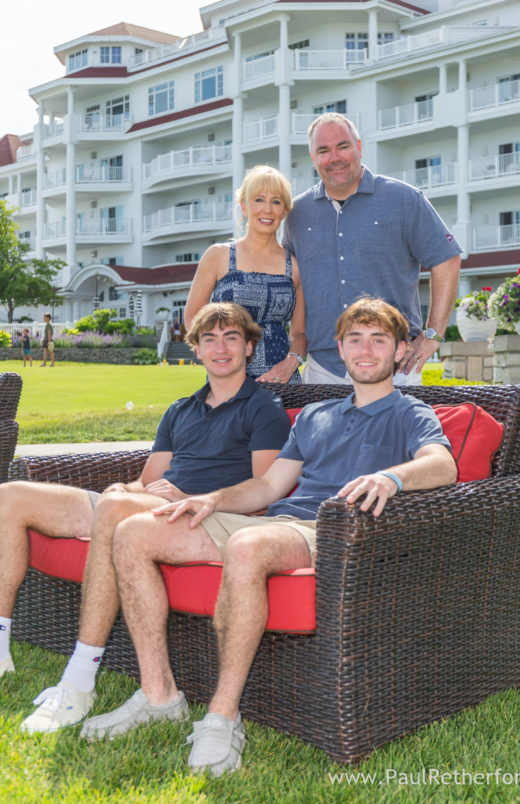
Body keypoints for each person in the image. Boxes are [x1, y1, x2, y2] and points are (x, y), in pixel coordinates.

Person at [79, 297, 457, 777]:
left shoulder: (410, 413)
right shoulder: (317, 415)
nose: (366, 350)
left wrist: (392, 478)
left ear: (400, 350)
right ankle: (160, 695)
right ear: (340, 349)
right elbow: (268, 486)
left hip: (332, 532)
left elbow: (443, 465)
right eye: (355, 339)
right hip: (272, 522)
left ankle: (222, 716)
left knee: (247, 545)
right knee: (135, 532)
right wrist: (214, 499)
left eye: (378, 340)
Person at [0, 302, 290, 733]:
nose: (221, 348)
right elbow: (148, 480)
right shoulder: (180, 409)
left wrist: (187, 496)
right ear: (196, 349)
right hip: (149, 503)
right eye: (209, 339)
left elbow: (262, 494)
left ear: (249, 347)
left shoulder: (263, 410)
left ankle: (79, 680)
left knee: (116, 509)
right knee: (11, 495)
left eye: (232, 338)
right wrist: (125, 489)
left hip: (199, 514)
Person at [281, 113, 462, 385]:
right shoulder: (297, 213)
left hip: (395, 367)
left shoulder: (404, 199)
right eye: (323, 151)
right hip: (324, 371)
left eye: (343, 146)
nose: (335, 158)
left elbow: (446, 259)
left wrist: (433, 335)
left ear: (359, 147)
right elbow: (290, 282)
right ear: (312, 157)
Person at [184, 165, 306, 384]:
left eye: (276, 202)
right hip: (229, 381)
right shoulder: (218, 256)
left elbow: (299, 333)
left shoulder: (294, 266)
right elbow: (193, 318)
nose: (267, 209)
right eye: (259, 200)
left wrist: (290, 364)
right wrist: (219, 357)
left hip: (283, 383)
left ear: (284, 211)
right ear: (244, 207)